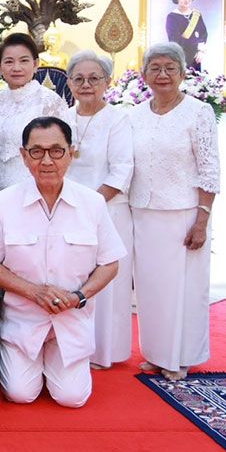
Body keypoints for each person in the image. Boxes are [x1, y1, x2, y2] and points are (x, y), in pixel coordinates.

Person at [0, 117, 125, 407]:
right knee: (20, 394)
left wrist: (79, 296)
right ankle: (13, 355)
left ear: (71, 153)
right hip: (22, 322)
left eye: (56, 151)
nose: (46, 161)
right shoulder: (4, 203)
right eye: (36, 151)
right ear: (23, 156)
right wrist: (34, 292)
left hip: (70, 320)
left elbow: (110, 263)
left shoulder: (92, 203)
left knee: (72, 398)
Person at [130, 42, 220, 381]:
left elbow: (209, 168)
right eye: (155, 68)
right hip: (144, 210)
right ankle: (155, 352)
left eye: (170, 68)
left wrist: (202, 220)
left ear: (182, 73)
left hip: (184, 212)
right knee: (152, 289)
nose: (163, 74)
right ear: (144, 75)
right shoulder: (135, 114)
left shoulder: (198, 112)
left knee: (185, 288)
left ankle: (182, 356)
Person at [65, 51, 134, 369]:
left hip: (107, 209)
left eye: (94, 78)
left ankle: (104, 352)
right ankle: (72, 346)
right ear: (69, 83)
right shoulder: (64, 118)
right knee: (75, 277)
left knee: (105, 283)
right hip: (68, 210)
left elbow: (121, 170)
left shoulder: (117, 118)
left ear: (107, 82)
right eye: (78, 78)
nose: (86, 84)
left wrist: (90, 205)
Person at [0, 33, 73, 198]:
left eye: (24, 61)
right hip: (0, 194)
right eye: (9, 61)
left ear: (36, 64)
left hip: (40, 192)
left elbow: (62, 153)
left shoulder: (50, 102)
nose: (17, 68)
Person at [165, 0, 208, 71]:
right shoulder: (172, 17)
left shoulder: (197, 15)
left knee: (197, 83)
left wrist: (201, 51)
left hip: (196, 59)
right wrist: (195, 46)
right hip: (180, 58)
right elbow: (174, 40)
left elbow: (203, 34)